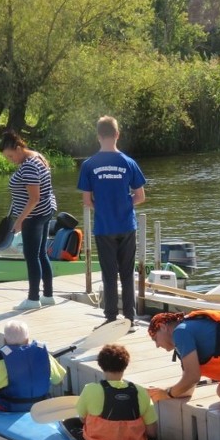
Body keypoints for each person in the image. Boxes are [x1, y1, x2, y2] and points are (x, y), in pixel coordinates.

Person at [77, 116, 146, 331]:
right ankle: (130, 320)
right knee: (127, 274)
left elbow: (87, 202)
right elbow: (140, 196)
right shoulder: (128, 162)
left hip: (104, 227)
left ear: (98, 136)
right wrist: (125, 205)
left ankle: (110, 318)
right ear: (117, 134)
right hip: (127, 225)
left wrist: (104, 208)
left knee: (109, 274)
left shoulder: (89, 165)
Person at [0, 130, 58, 310]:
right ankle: (48, 296)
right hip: (45, 211)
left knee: (31, 256)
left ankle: (33, 299)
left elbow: (34, 198)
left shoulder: (29, 166)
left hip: (34, 215)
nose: (10, 160)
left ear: (18, 148)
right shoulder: (36, 156)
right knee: (40, 254)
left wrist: (20, 221)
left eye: (10, 156)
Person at [0, 320, 67, 412]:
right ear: (27, 340)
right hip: (40, 405)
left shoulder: (1, 366)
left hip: (10, 408)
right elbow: (58, 381)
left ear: (5, 340)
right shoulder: (46, 357)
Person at [75, 344, 157, 440]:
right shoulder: (140, 391)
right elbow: (152, 432)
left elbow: (82, 419)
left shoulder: (90, 389)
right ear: (125, 365)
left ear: (101, 365)